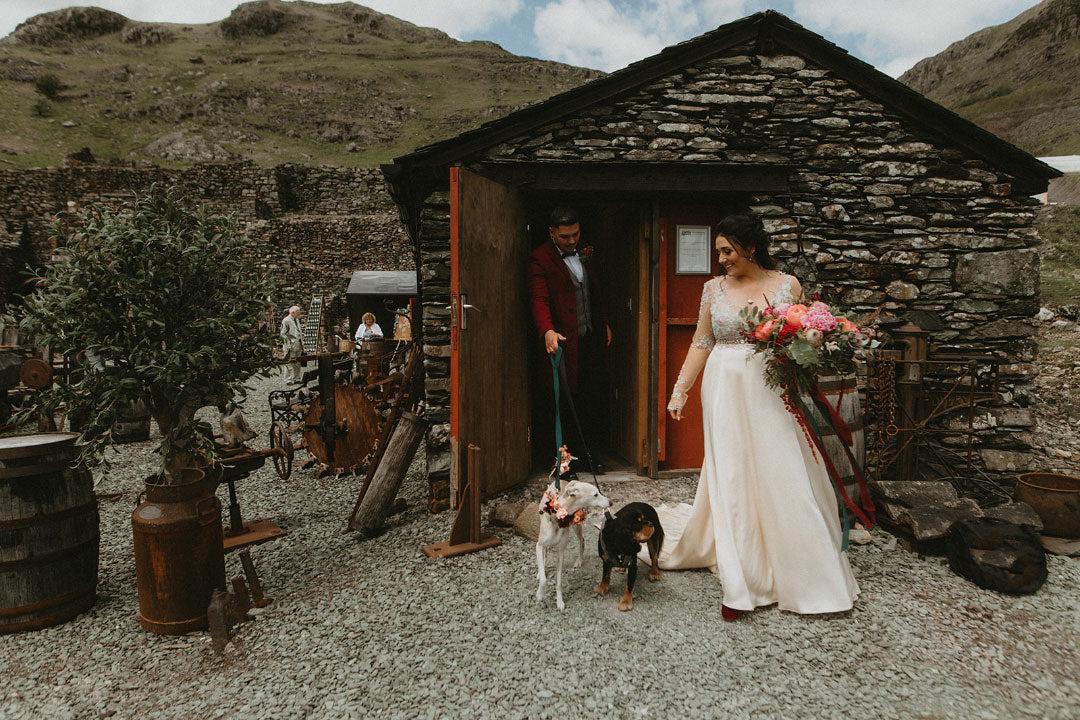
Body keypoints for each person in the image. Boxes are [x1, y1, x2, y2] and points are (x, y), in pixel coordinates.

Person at [663, 214, 859, 619]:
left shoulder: (788, 286)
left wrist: (807, 355)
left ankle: (807, 575)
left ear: (750, 247)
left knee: (783, 469)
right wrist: (679, 390)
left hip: (770, 390)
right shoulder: (712, 289)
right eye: (718, 252)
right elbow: (702, 341)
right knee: (732, 473)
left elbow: (802, 338)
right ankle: (742, 582)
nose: (720, 260)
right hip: (724, 388)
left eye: (727, 251)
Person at [527, 206, 612, 476]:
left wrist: (603, 323)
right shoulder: (539, 259)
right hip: (561, 342)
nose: (572, 241)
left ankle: (589, 456)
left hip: (588, 337)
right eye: (565, 237)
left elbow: (594, 291)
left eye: (575, 234)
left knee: (591, 397)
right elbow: (538, 299)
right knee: (561, 401)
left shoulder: (585, 252)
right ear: (551, 233)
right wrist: (547, 331)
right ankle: (561, 462)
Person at [279, 305, 304, 385]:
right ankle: (288, 379)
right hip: (290, 344)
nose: (299, 314)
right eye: (298, 312)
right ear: (292, 312)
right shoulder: (286, 320)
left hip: (298, 343)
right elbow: (283, 334)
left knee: (297, 362)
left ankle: (296, 378)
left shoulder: (296, 320)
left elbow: (298, 331)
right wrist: (287, 344)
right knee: (289, 362)